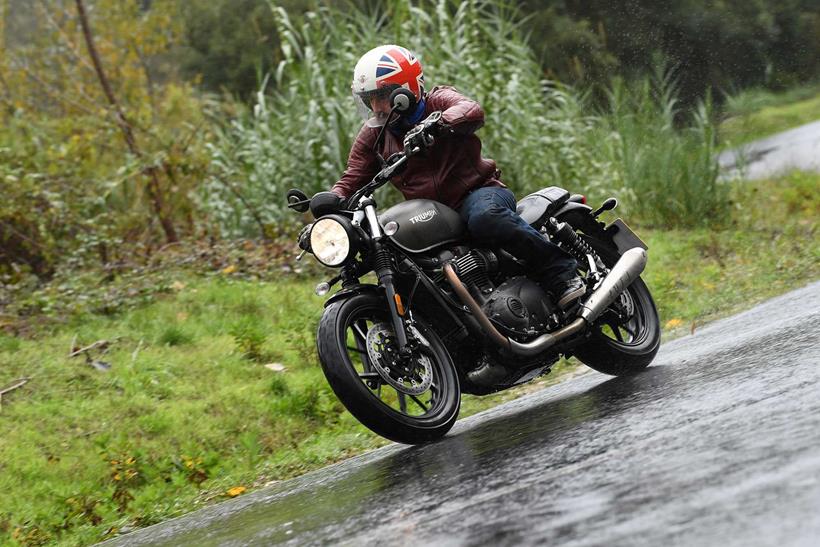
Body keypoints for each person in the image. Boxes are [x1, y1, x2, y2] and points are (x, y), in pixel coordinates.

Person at [330, 45, 584, 308]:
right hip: (433, 214)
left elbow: (470, 109)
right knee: (398, 254)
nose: (376, 106)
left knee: (486, 218)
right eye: (369, 99)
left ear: (405, 90)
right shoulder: (374, 132)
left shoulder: (438, 101)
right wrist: (329, 203)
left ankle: (561, 271)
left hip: (479, 193)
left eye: (382, 96)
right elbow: (352, 177)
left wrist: (437, 124)